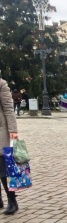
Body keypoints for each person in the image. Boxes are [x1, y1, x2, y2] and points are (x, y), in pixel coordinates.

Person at [0, 78, 19, 214]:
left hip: (1, 130)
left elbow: (8, 107)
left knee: (3, 170)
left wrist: (12, 130)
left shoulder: (1, 83)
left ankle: (12, 201)